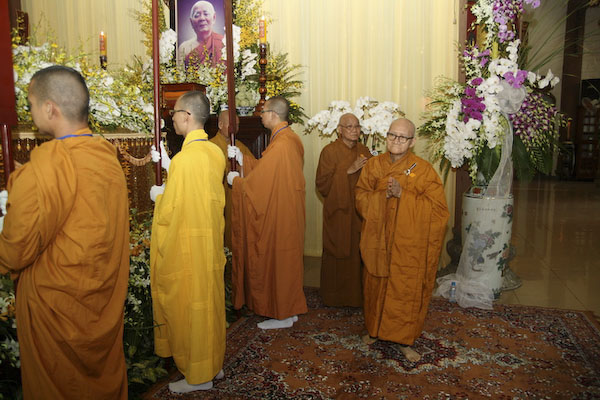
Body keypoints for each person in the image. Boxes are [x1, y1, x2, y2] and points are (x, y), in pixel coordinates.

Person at [0, 65, 129, 399]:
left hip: (55, 310)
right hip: (100, 301)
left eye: (31, 104)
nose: (30, 112)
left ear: (50, 108)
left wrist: (24, 188)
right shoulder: (106, 157)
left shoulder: (45, 168)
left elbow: (14, 252)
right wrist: (31, 182)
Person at [149, 91, 226, 393]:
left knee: (189, 308)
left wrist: (159, 196)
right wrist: (170, 167)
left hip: (188, 250)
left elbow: (173, 210)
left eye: (174, 113)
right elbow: (196, 193)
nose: (172, 118)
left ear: (187, 116)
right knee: (209, 305)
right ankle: (212, 362)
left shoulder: (185, 160)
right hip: (208, 244)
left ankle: (199, 375)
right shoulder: (214, 153)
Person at [356, 118, 449, 362]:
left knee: (404, 290)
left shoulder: (424, 170)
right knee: (375, 286)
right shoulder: (373, 165)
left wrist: (402, 195)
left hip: (408, 246)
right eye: (392, 135)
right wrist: (382, 196)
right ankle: (375, 330)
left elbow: (439, 212)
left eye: (402, 137)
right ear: (386, 136)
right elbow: (361, 197)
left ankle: (404, 340)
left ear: (412, 141)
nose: (396, 140)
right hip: (379, 239)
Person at [227, 96, 308, 330]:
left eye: (262, 112)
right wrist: (243, 159)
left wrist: (238, 182)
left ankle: (283, 314)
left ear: (273, 114)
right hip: (286, 208)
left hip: (280, 213)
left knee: (279, 260)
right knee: (286, 260)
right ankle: (289, 309)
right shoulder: (287, 138)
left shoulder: (282, 144)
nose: (260, 116)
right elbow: (268, 170)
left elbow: (261, 183)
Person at [315, 113, 372, 307]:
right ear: (339, 129)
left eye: (357, 126)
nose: (354, 130)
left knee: (358, 253)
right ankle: (334, 297)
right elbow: (322, 184)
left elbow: (373, 177)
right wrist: (348, 170)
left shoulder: (364, 150)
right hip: (338, 213)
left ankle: (356, 297)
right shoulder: (329, 152)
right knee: (336, 252)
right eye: (349, 127)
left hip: (358, 212)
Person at [209, 110, 256, 250]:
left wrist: (241, 163)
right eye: (232, 125)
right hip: (216, 198)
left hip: (234, 199)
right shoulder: (210, 146)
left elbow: (254, 171)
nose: (235, 128)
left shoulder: (240, 146)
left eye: (237, 125)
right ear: (220, 124)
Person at [178, 0, 224, 69]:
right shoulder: (184, 48)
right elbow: (179, 74)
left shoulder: (224, 43)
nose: (202, 18)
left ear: (214, 18)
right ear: (191, 22)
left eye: (206, 14)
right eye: (197, 15)